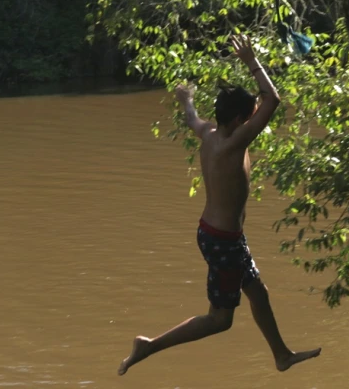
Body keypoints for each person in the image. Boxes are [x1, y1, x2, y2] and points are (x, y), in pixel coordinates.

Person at [118, 34, 321, 376]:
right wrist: (251, 61)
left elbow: (191, 118)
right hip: (224, 241)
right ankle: (149, 345)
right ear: (242, 119)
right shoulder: (234, 143)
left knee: (258, 292)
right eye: (251, 115)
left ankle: (282, 355)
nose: (255, 118)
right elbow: (273, 99)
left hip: (218, 235)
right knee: (220, 319)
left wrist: (187, 99)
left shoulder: (210, 134)